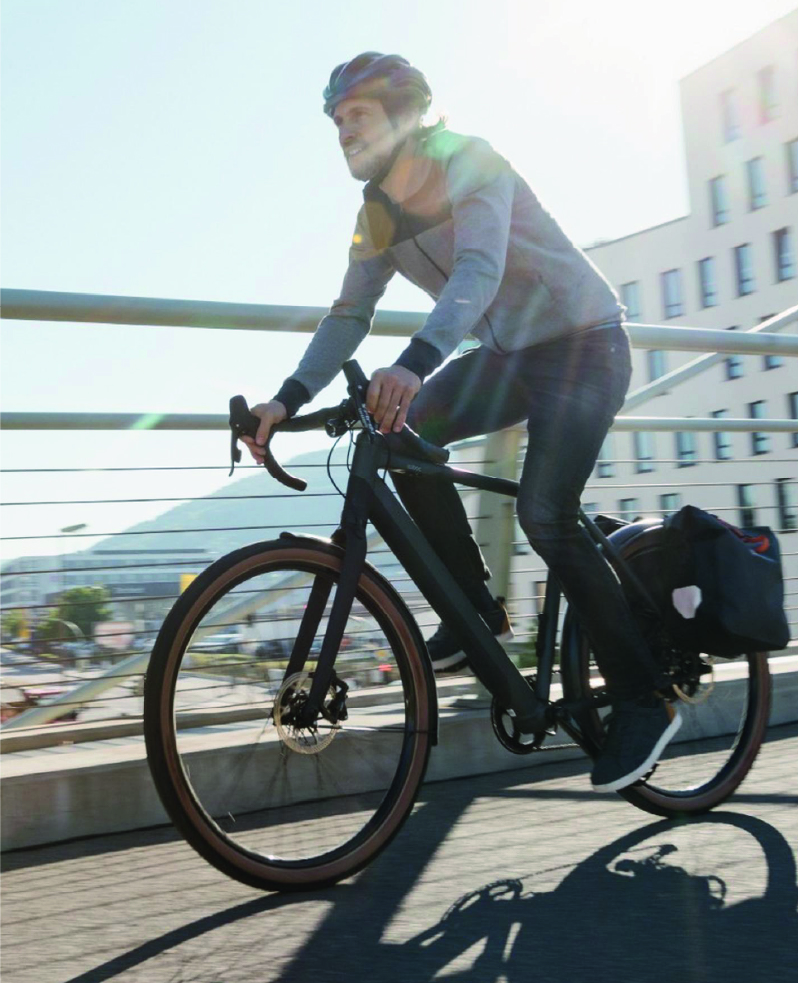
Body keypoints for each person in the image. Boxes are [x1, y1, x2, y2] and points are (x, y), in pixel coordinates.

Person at [241, 52, 681, 792]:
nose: (343, 132)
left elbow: (478, 268)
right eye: (336, 121)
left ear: (406, 115)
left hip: (583, 345)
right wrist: (283, 398)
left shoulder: (469, 161)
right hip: (510, 354)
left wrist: (412, 362)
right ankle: (476, 605)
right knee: (396, 436)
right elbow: (348, 314)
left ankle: (645, 696)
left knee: (546, 512)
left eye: (357, 115)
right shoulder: (375, 212)